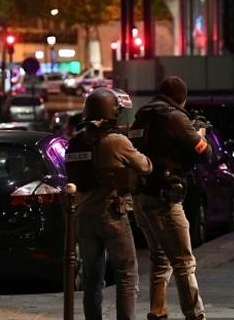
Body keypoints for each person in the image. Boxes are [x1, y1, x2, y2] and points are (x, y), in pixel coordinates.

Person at [128, 76, 212, 320]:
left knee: (160, 258)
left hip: (141, 198)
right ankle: (195, 315)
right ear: (181, 98)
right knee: (184, 262)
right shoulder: (175, 118)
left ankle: (158, 311)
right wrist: (200, 135)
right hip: (165, 199)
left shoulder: (141, 118)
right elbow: (205, 153)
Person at [66, 87, 152, 320]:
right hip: (111, 215)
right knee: (126, 274)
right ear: (110, 112)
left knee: (92, 278)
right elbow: (145, 166)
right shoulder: (116, 141)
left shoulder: (75, 143)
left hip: (83, 217)